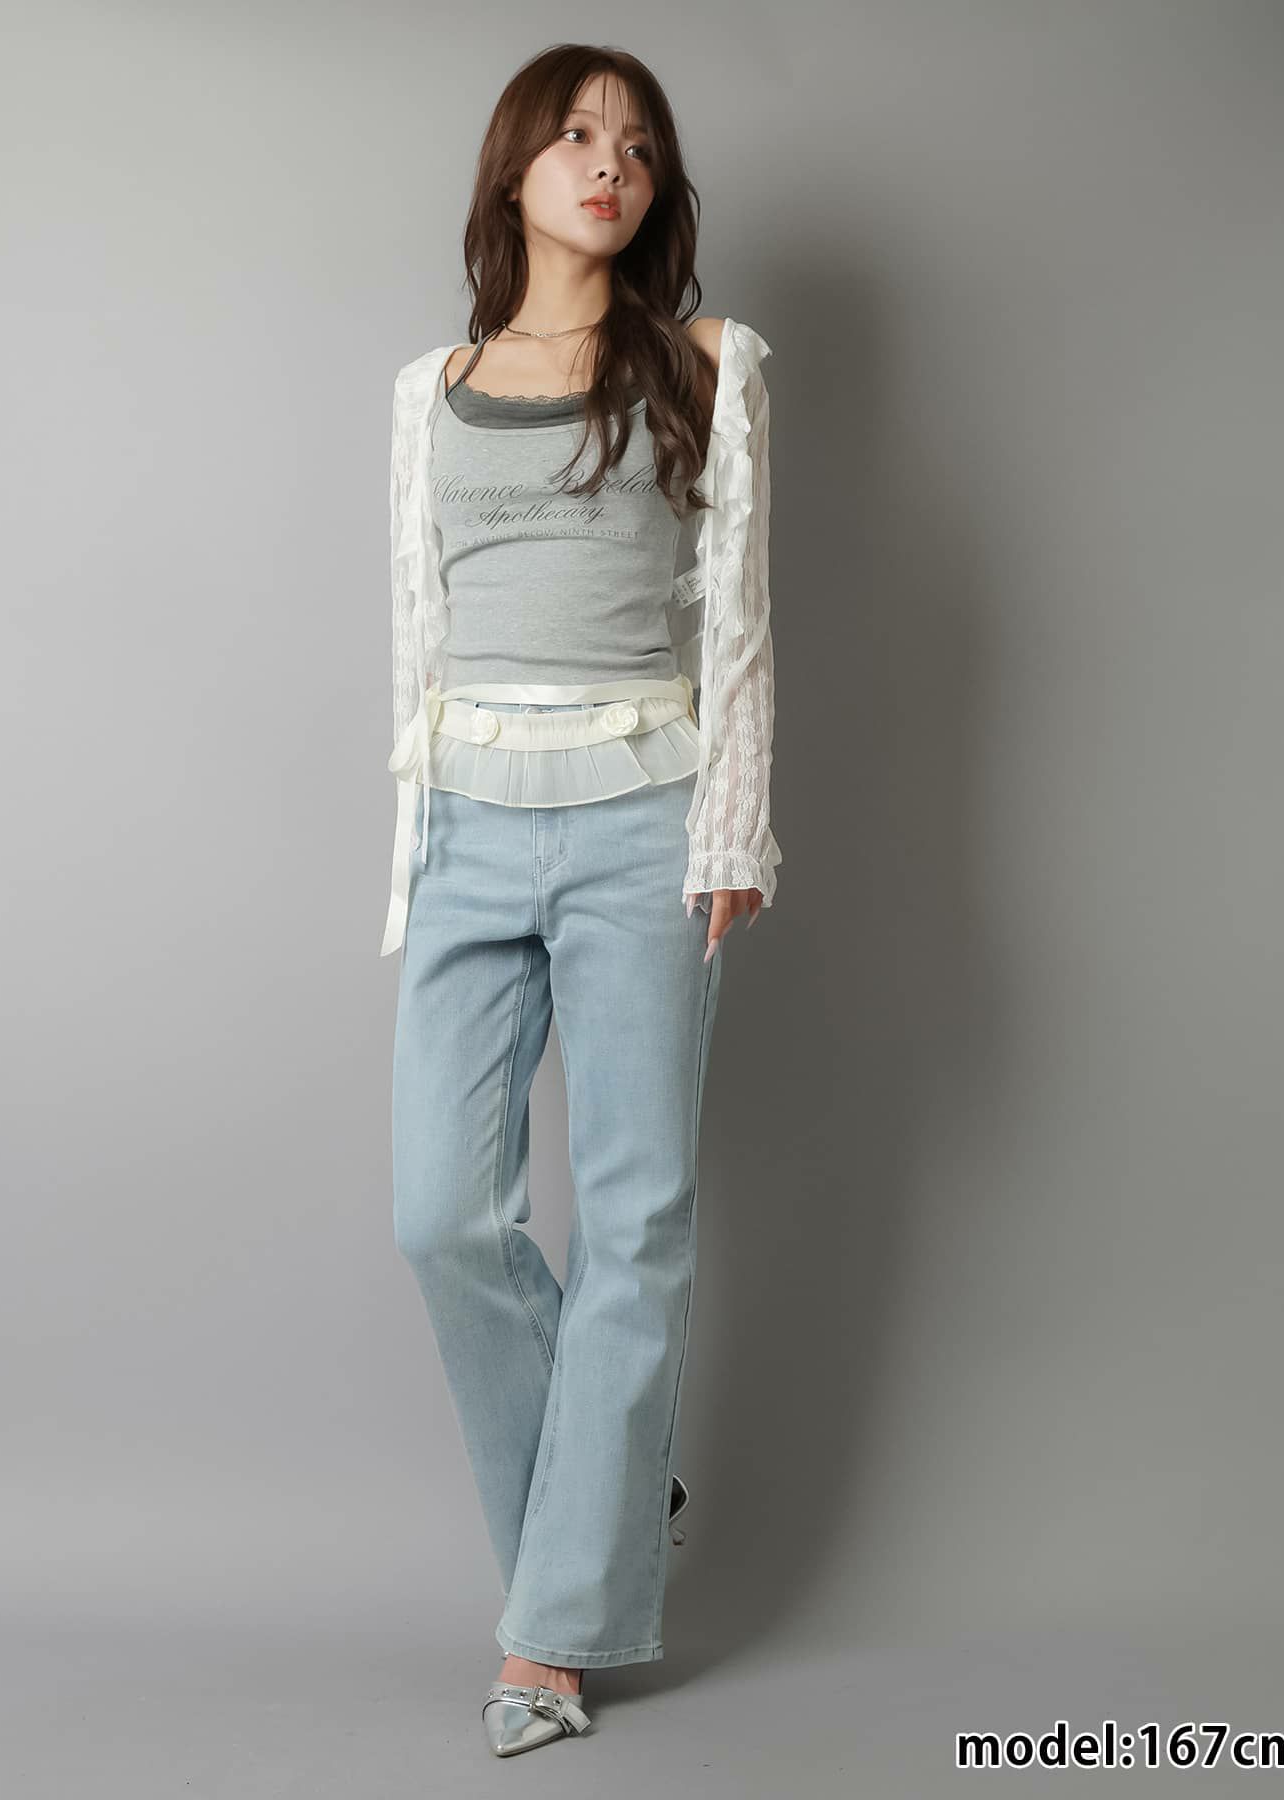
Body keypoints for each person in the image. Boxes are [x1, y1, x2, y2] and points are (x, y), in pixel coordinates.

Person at [383, 44, 781, 1758]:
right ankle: (617, 1496)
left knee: (637, 1221)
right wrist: (411, 848)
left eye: (636, 144)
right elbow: (419, 624)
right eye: (573, 136)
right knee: (443, 1214)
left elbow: (738, 615)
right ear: (515, 172)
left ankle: (547, 1640)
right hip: (468, 818)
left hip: (642, 815)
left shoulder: (707, 364)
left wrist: (733, 831)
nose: (608, 163)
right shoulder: (434, 387)